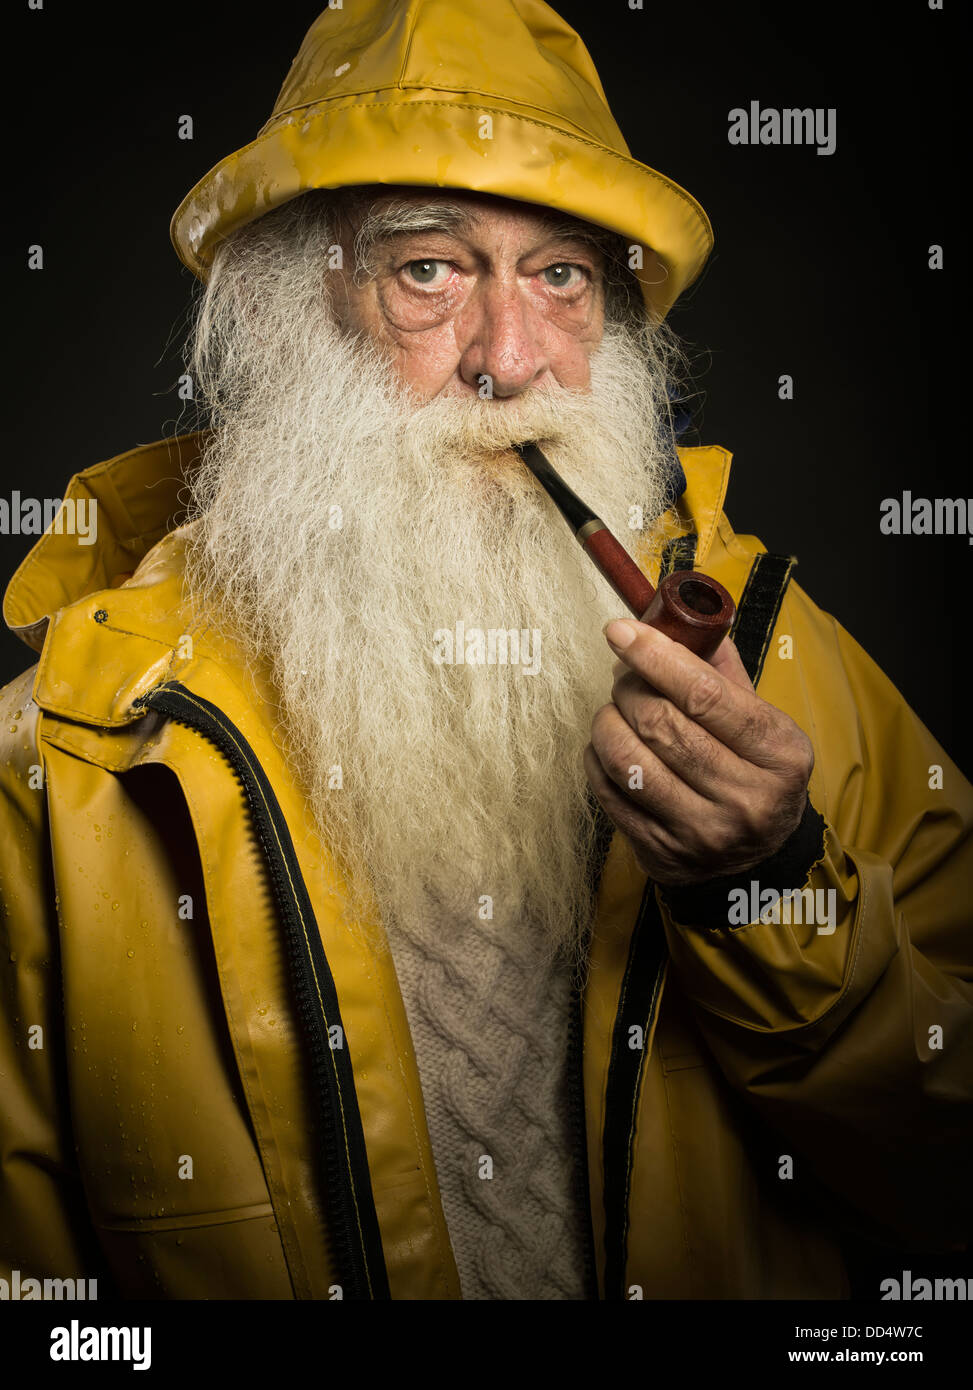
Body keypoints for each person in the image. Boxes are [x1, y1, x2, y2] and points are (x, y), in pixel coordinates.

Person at [1, 0, 970, 1302]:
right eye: (428, 270)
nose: (508, 361)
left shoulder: (771, 659)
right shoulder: (65, 755)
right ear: (301, 303)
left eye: (561, 273)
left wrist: (764, 885)